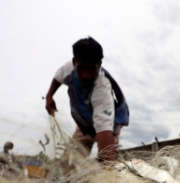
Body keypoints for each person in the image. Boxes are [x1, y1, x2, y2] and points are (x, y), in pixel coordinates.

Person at [45, 37, 129, 166]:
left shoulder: (102, 89)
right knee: (68, 163)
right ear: (74, 62)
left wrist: (108, 169)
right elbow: (57, 78)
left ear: (99, 65)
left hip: (109, 124)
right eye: (81, 68)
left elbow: (103, 129)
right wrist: (49, 96)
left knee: (105, 162)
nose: (86, 75)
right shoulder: (68, 69)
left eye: (92, 69)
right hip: (85, 124)